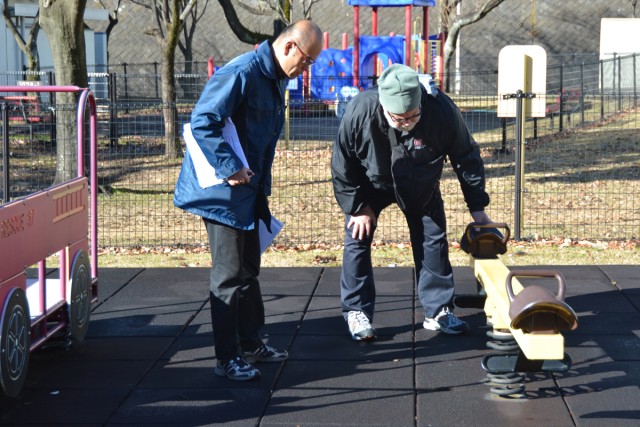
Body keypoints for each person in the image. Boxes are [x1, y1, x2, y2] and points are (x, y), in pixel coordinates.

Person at [174, 20, 323, 380]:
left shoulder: (274, 79)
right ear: (289, 47)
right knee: (228, 276)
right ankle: (227, 358)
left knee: (249, 270)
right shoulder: (241, 73)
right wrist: (230, 166)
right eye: (306, 61)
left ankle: (252, 341)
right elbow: (203, 121)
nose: (306, 69)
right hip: (223, 194)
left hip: (249, 190)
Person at [331, 64, 493, 341]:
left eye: (412, 116)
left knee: (433, 238)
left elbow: (467, 157)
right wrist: (357, 207)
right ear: (384, 106)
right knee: (357, 237)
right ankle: (356, 311)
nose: (406, 122)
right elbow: (342, 163)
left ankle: (438, 310)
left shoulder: (441, 111)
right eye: (399, 118)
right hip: (370, 183)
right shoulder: (360, 111)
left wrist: (477, 207)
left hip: (421, 183)